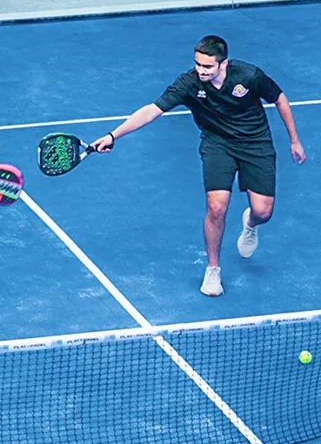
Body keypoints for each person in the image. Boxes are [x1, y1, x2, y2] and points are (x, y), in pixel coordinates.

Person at [88, 36, 306, 297]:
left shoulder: (249, 76)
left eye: (207, 67)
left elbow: (279, 98)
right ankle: (213, 269)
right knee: (216, 207)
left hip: (255, 143)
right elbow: (152, 110)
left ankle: (250, 223)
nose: (201, 71)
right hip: (218, 146)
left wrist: (294, 140)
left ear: (223, 64)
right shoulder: (189, 83)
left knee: (263, 212)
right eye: (198, 65)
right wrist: (113, 135)